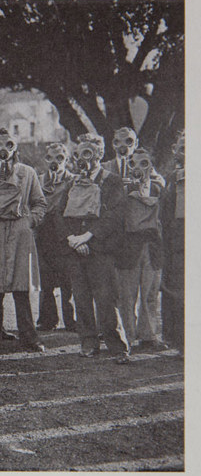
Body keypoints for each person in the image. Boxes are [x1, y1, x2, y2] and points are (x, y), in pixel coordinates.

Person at [54, 133, 130, 364]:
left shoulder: (112, 181)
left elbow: (114, 216)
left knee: (106, 298)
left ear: (99, 153)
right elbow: (59, 214)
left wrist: (88, 237)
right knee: (81, 298)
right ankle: (88, 342)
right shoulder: (71, 183)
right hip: (75, 251)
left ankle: (117, 346)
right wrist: (72, 239)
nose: (82, 158)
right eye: (78, 153)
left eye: (88, 152)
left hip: (100, 250)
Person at [0, 128, 46, 352]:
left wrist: (29, 221)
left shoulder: (28, 173)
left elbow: (40, 203)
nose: (4, 150)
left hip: (19, 236)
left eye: (9, 145)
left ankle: (29, 337)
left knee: (21, 289)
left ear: (16, 148)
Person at [115, 147, 167, 350]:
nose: (138, 168)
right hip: (128, 247)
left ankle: (149, 335)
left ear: (151, 166)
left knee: (150, 293)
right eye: (133, 163)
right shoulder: (122, 189)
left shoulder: (158, 188)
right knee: (126, 295)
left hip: (152, 246)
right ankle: (126, 337)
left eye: (144, 163)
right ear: (128, 165)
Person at [35, 143, 77, 332]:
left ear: (66, 160)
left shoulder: (73, 181)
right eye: (51, 157)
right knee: (46, 281)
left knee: (68, 280)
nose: (55, 162)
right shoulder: (38, 180)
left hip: (65, 235)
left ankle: (72, 320)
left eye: (59, 158)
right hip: (44, 236)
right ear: (45, 159)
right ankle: (47, 320)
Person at [161, 130, 185, 355]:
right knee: (177, 293)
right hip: (176, 244)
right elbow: (165, 213)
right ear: (175, 151)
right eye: (183, 148)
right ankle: (181, 343)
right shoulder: (170, 178)